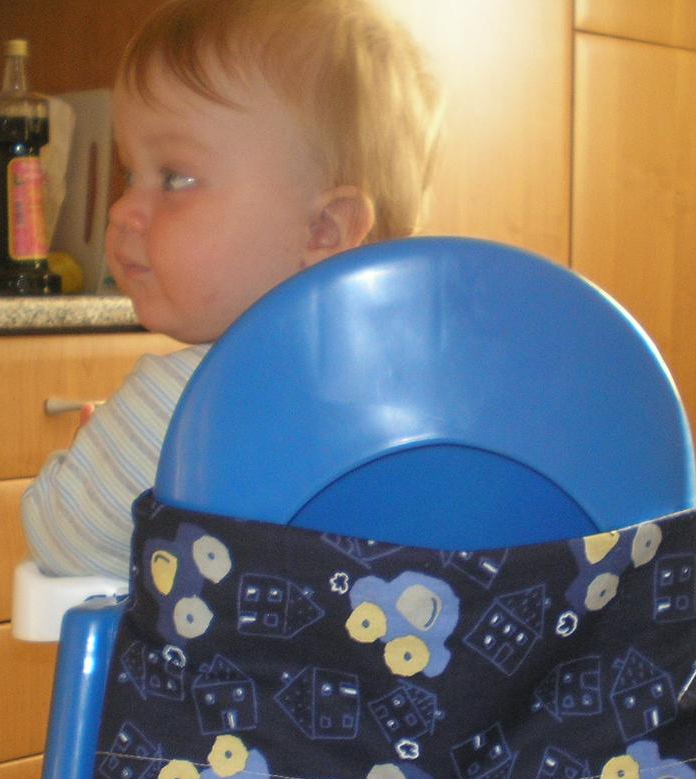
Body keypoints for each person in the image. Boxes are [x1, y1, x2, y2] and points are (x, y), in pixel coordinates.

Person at [22, 0, 442, 577]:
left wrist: (88, 461)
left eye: (175, 178)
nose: (121, 210)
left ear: (323, 230)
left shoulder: (191, 402)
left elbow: (62, 540)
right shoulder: (434, 389)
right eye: (129, 174)